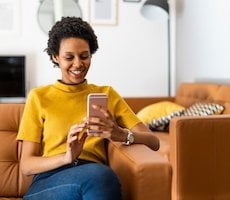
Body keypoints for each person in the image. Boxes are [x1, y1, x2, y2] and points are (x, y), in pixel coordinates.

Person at [17, 17, 160, 200]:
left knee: (99, 177)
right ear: (55, 57)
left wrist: (120, 134)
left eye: (84, 56)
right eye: (69, 57)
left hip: (94, 176)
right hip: (49, 180)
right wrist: (67, 157)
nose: (78, 64)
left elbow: (153, 142)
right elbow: (26, 165)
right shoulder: (39, 97)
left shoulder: (107, 94)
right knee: (100, 177)